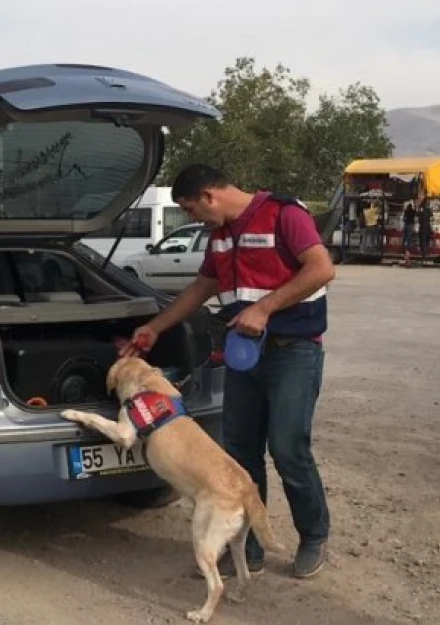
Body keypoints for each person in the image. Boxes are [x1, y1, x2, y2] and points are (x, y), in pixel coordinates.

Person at [120, 164, 336, 579]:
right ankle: (248, 548)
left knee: (288, 447)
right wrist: (155, 327)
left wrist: (264, 307)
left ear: (209, 196)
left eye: (190, 209)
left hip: (294, 352)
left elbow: (322, 270)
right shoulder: (219, 237)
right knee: (240, 454)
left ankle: (313, 535)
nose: (192, 219)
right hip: (244, 358)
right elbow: (201, 289)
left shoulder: (283, 214)